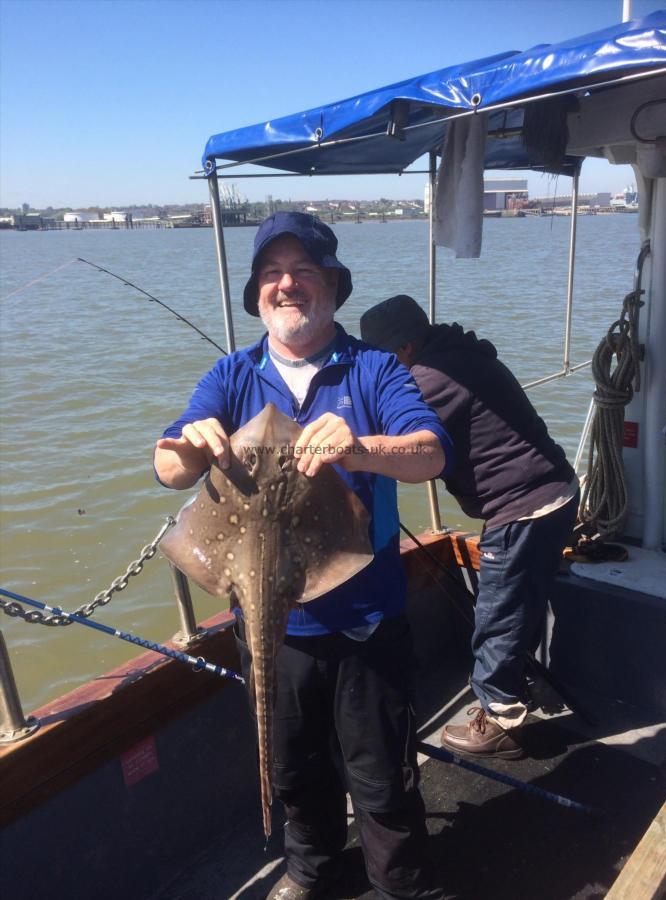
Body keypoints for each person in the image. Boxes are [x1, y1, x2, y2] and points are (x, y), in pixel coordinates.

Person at [154, 215, 454, 900]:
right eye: (270, 274)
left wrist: (358, 447)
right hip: (270, 622)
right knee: (292, 765)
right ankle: (310, 871)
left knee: (381, 776)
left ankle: (401, 887)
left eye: (302, 273)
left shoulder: (372, 369)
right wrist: (187, 446)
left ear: (332, 286)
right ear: (257, 292)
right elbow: (168, 471)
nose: (285, 285)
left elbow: (431, 452)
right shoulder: (231, 375)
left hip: (364, 624)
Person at [360, 295, 579, 761]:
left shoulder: (429, 378)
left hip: (523, 505)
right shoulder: (456, 356)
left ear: (402, 348)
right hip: (552, 493)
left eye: (380, 359)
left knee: (497, 614)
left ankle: (501, 722)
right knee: (521, 602)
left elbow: (397, 444)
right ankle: (519, 686)